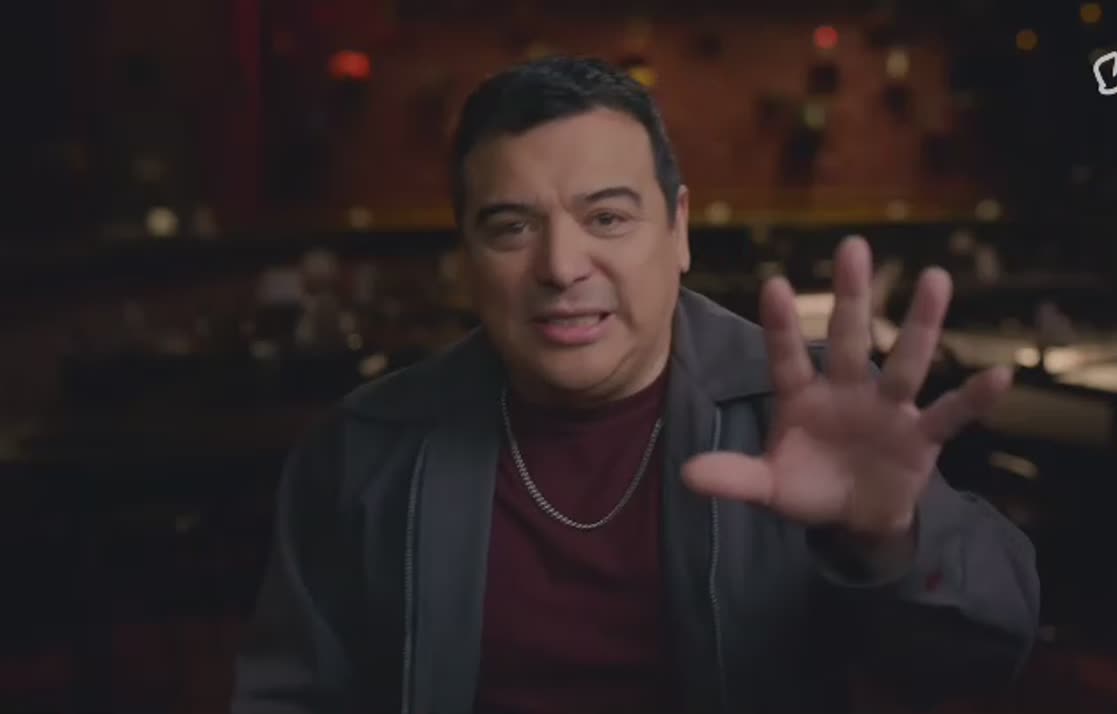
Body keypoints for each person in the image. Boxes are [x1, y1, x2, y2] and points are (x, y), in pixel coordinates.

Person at [231, 56, 1039, 714]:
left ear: (678, 229)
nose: (560, 266)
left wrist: (890, 538)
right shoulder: (366, 448)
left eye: (608, 218)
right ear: (465, 259)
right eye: (511, 228)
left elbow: (984, 657)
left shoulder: (809, 413)